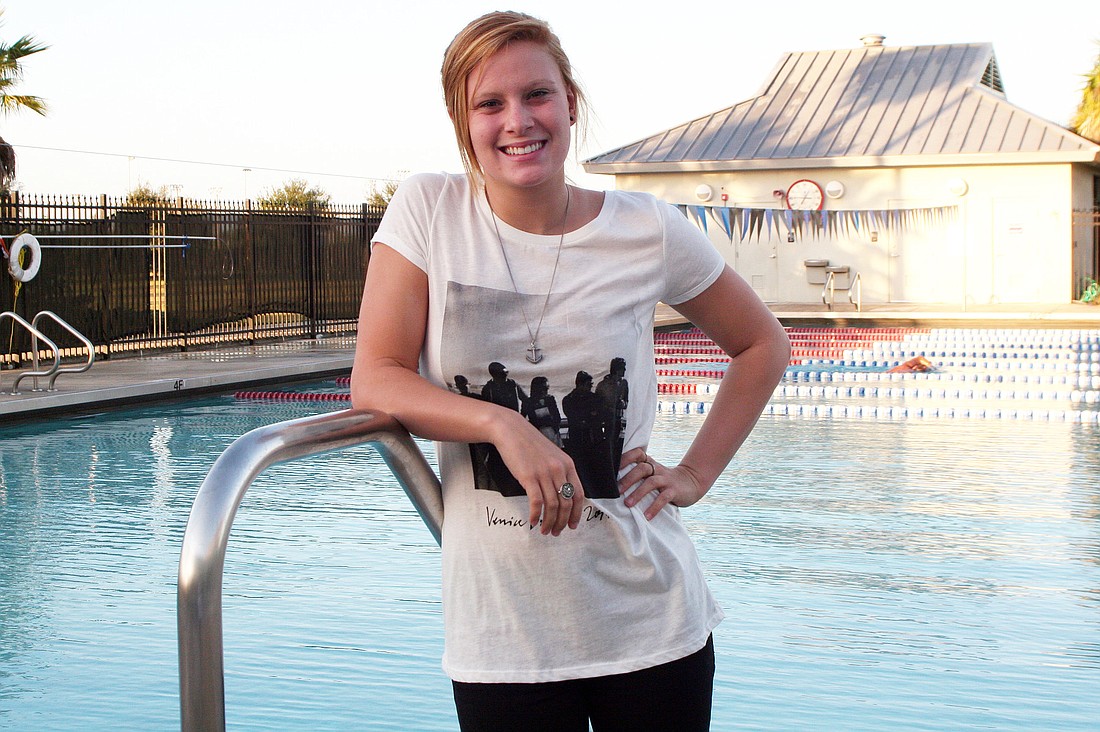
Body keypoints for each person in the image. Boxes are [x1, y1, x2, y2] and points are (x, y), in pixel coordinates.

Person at [351, 11, 791, 731]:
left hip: (651, 625)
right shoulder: (429, 211)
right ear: (464, 124)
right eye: (489, 103)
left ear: (570, 106)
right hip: (504, 639)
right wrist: (501, 424)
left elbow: (762, 345)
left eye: (537, 96)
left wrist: (694, 476)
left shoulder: (643, 228)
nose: (517, 121)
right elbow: (377, 377)